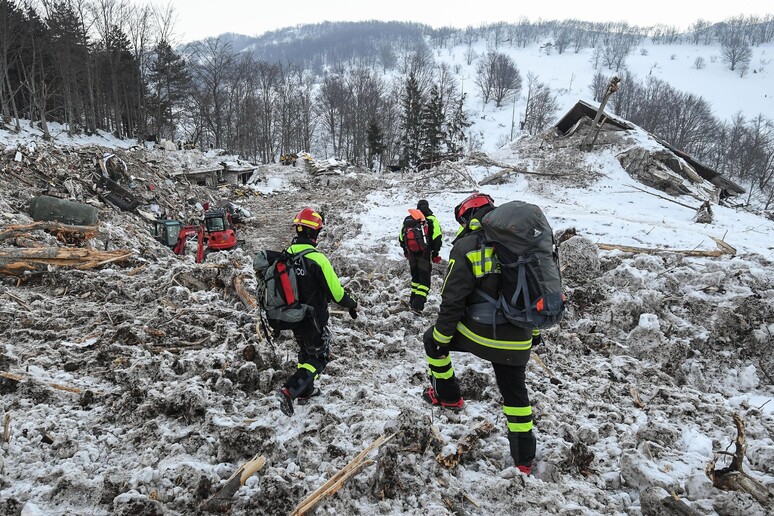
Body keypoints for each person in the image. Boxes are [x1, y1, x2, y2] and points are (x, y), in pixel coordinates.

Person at [421, 192, 540, 475]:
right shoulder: (523, 244)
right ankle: (524, 460)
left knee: (431, 340)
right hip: (520, 337)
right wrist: (533, 333)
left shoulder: (467, 246)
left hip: (482, 335)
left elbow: (453, 300)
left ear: (466, 218)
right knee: (515, 393)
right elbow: (536, 293)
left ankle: (448, 395)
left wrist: (441, 337)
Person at [268, 207, 359, 416]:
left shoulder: (286, 255)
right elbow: (336, 294)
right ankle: (290, 390)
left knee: (305, 351)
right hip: (314, 318)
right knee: (319, 357)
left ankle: (305, 391)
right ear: (313, 233)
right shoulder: (318, 259)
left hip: (292, 315)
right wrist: (353, 304)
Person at [398, 199, 442, 313]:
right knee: (424, 282)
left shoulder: (409, 220)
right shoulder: (431, 219)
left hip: (412, 254)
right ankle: (417, 306)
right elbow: (437, 237)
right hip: (424, 254)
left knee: (415, 279)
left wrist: (406, 250)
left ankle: (413, 301)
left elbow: (401, 237)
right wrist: (435, 254)